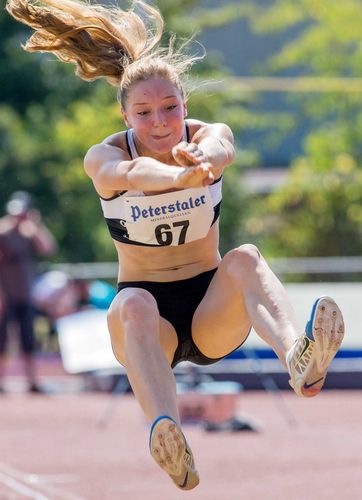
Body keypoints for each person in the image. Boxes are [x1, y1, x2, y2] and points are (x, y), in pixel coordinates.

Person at [6, 0, 344, 490]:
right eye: (144, 113)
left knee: (245, 256)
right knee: (134, 302)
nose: (161, 122)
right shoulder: (105, 156)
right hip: (148, 328)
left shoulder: (206, 137)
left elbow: (222, 147)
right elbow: (132, 174)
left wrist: (202, 159)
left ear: (185, 103)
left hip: (211, 312)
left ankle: (299, 358)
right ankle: (167, 434)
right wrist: (177, 174)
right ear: (124, 115)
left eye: (171, 108)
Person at [0, 190, 57, 393]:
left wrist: (36, 224)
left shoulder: (29, 232)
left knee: (28, 340)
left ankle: (32, 382)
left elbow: (49, 248)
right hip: (6, 296)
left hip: (26, 295)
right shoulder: (3, 232)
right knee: (2, 341)